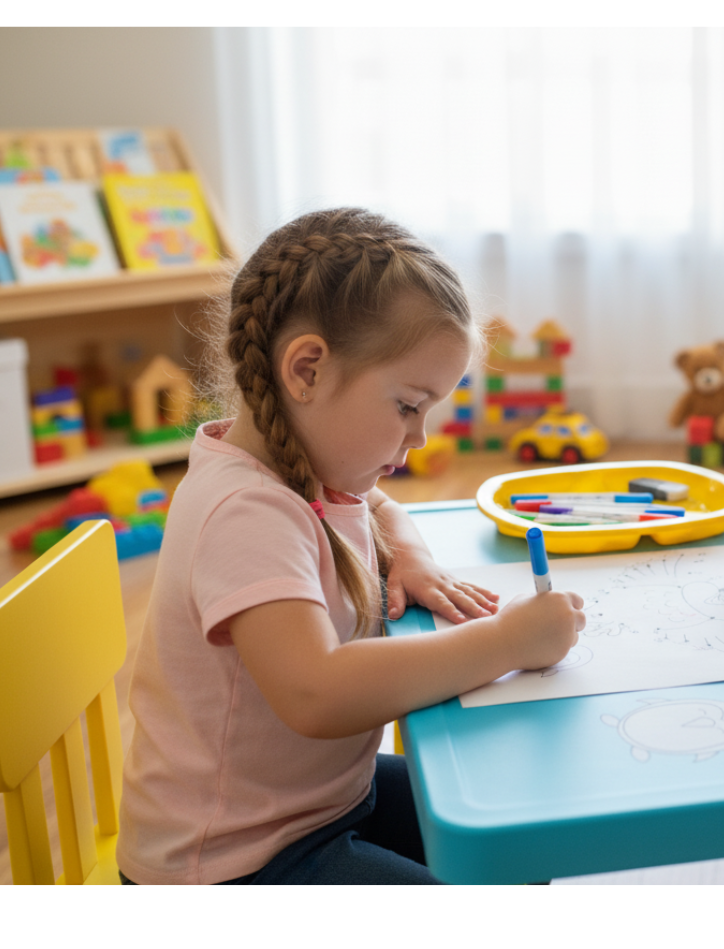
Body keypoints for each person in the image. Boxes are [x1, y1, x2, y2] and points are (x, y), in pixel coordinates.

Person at [116, 207, 584, 884]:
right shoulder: (244, 509)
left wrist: (412, 556)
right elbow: (317, 693)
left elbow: (377, 504)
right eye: (407, 406)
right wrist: (508, 643)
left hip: (317, 806)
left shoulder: (300, 466)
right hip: (231, 863)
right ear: (306, 369)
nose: (419, 437)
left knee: (517, 835)